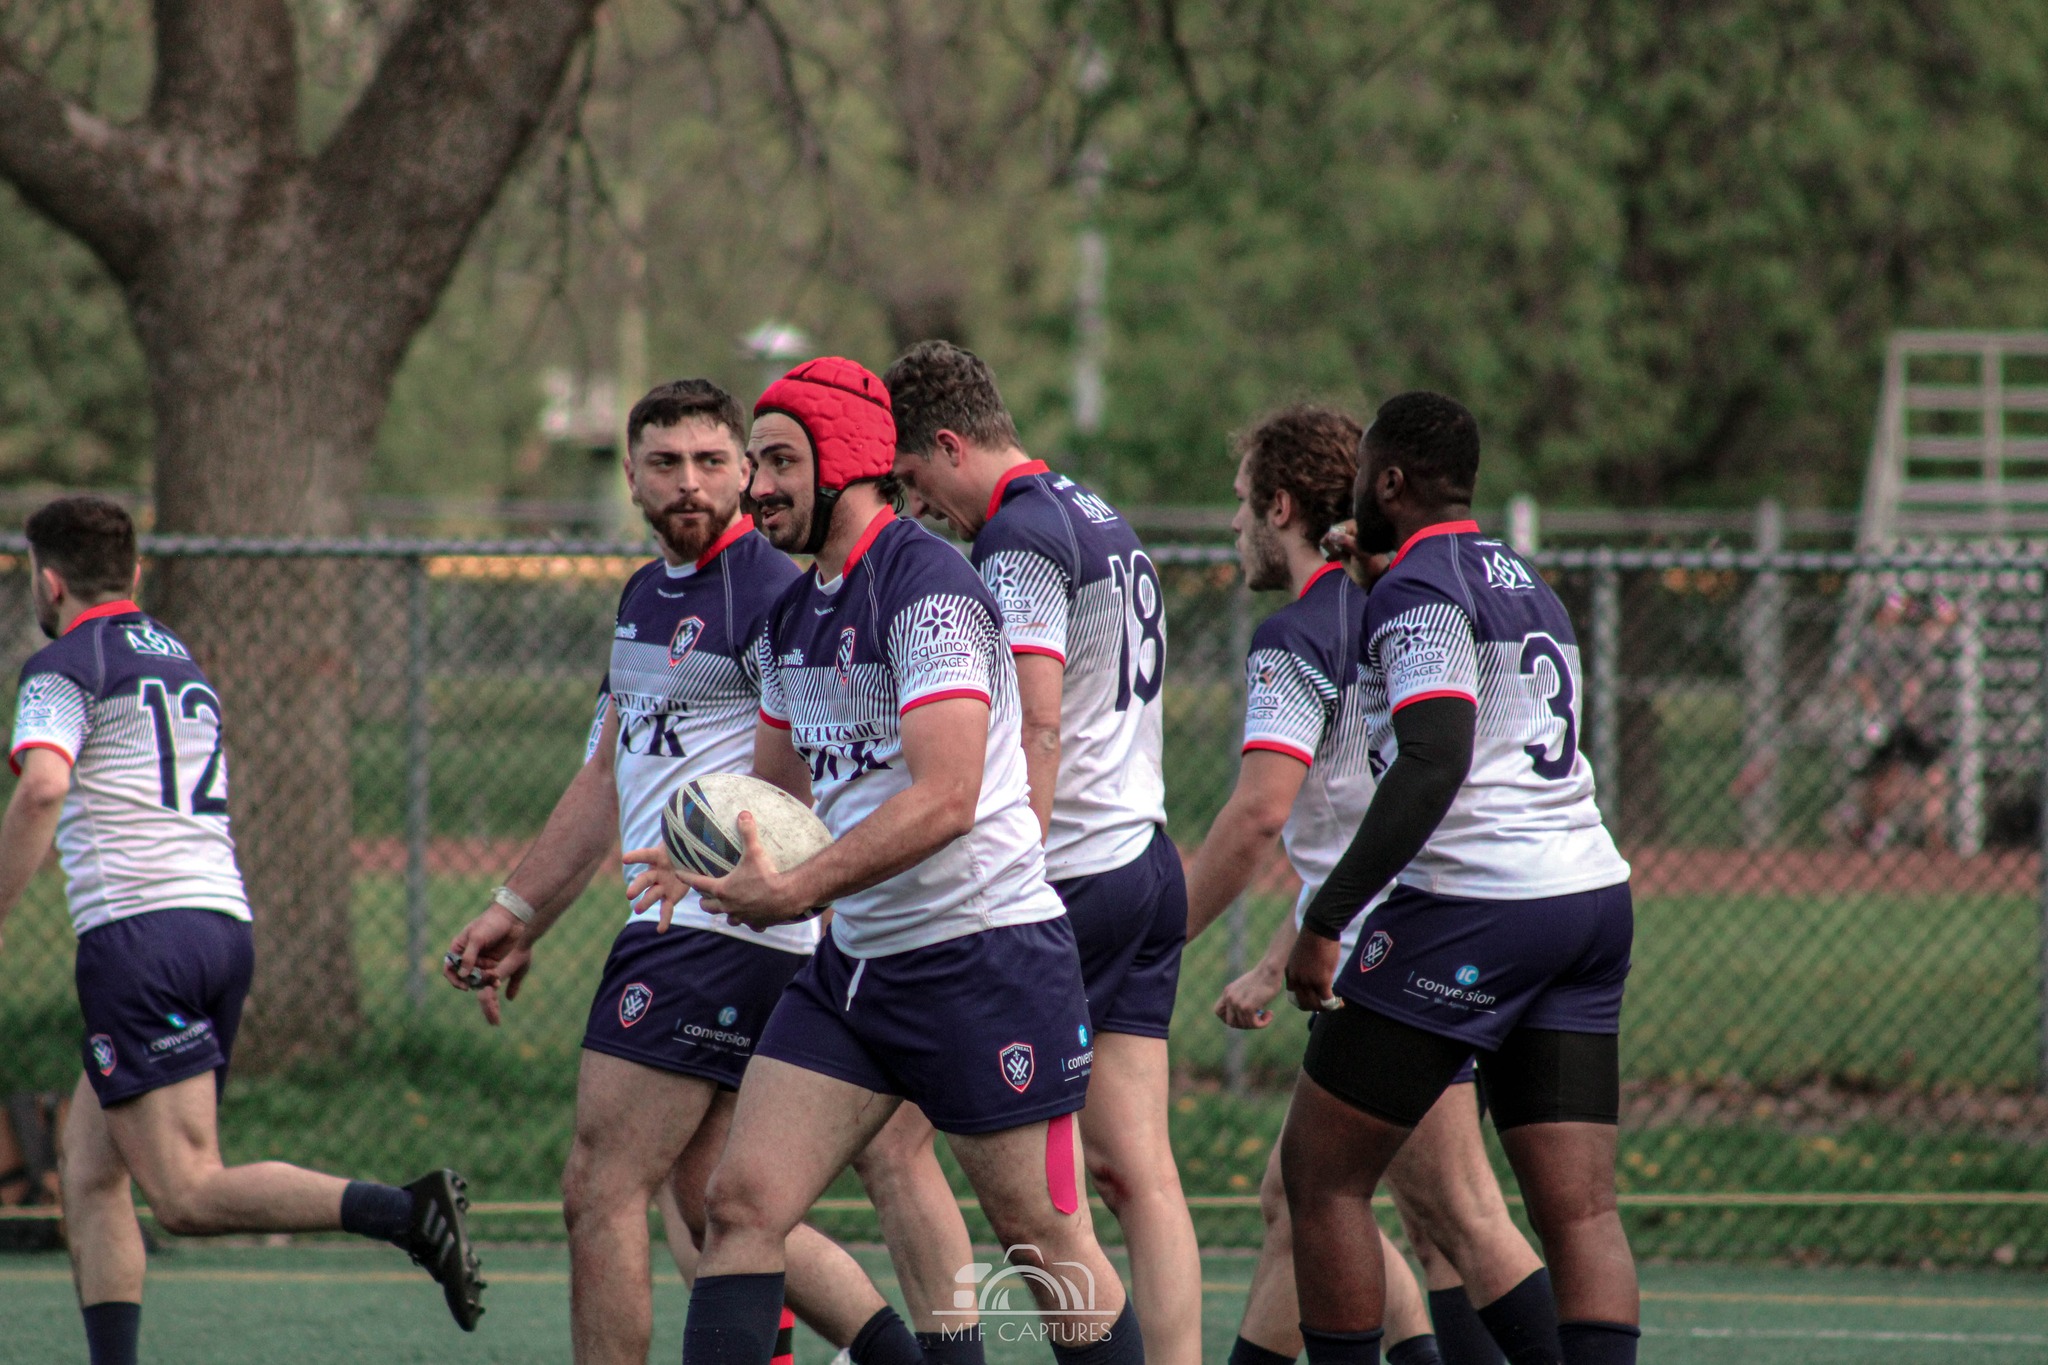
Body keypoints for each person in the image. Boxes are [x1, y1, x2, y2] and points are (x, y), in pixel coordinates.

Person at [629, 357, 1141, 1365]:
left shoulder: (929, 589)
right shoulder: (792, 617)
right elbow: (776, 799)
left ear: (851, 464)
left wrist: (795, 888)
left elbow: (947, 796)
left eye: (781, 462)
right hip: (858, 970)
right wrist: (707, 852)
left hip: (984, 958)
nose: (756, 486)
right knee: (741, 1204)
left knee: (1044, 1246)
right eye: (757, 463)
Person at [444, 379, 948, 1365]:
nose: (691, 482)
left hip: (709, 926)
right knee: (718, 1201)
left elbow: (807, 768)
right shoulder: (643, 596)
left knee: (600, 1187)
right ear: (629, 476)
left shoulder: (769, 594)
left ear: (746, 471)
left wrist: (735, 868)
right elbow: (606, 775)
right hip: (713, 930)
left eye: (714, 462)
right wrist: (520, 908)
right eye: (666, 462)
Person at [0, 496, 483, 1365]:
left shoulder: (63, 665)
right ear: (134, 572)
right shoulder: (177, 657)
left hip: (140, 940)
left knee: (186, 1193)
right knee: (91, 1167)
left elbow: (42, 787)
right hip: (218, 925)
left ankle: (406, 1212)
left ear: (50, 580)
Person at [1281, 393, 1640, 1365]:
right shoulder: (1520, 578)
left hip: (1482, 904)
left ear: (1391, 480)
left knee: (1321, 1176)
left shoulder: (1419, 589)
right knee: (1579, 1210)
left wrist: (1327, 917)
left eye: (1364, 473)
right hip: (1587, 895)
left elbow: (1436, 756)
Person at [1184, 406, 1537, 1365]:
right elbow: (1352, 821)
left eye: (1241, 502)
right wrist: (1279, 954)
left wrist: (1154, 935)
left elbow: (1263, 813)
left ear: (1281, 508)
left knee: (1453, 1216)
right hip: (1424, 929)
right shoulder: (1387, 603)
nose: (1234, 522)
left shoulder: (1298, 633)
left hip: (1399, 955)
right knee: (1316, 1200)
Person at [876, 339, 1199, 1365]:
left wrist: (1013, 867)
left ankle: (954, 1349)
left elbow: (1036, 721)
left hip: (1072, 872)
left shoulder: (1014, 538)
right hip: (1142, 858)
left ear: (946, 443)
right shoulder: (1093, 510)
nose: (913, 505)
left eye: (911, 477)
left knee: (903, 1142)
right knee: (1136, 1171)